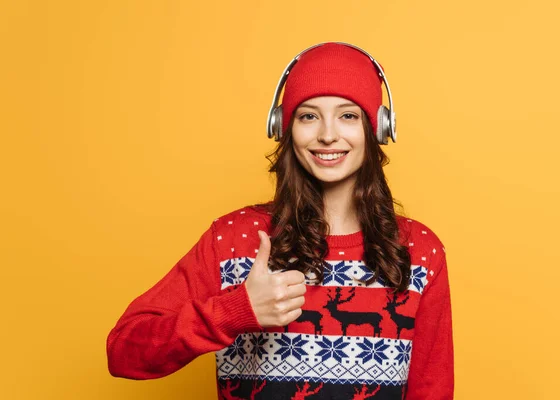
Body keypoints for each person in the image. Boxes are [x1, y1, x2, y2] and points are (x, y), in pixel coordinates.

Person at [106, 42, 454, 399]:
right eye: (308, 116)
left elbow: (433, 389)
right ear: (283, 126)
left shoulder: (419, 251)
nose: (328, 134)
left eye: (348, 115)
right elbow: (122, 351)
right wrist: (234, 311)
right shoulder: (233, 240)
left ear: (378, 128)